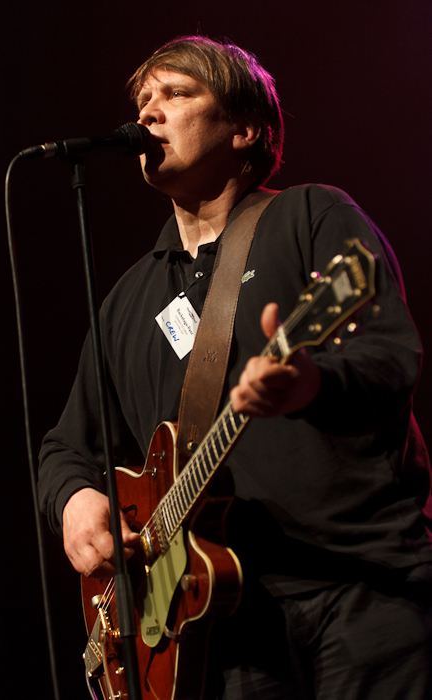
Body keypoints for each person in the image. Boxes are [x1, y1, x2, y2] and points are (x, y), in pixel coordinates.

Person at [38, 36, 432, 699]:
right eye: (143, 99)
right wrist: (74, 501)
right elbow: (66, 447)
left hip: (359, 590)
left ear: (245, 129)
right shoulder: (128, 301)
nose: (150, 112)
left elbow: (390, 358)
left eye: (177, 93)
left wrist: (312, 384)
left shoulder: (310, 216)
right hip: (219, 625)